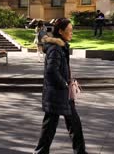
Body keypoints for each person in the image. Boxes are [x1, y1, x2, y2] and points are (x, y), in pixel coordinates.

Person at [34, 18, 88, 154]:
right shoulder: (56, 49)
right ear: (60, 31)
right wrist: (64, 84)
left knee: (74, 124)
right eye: (69, 30)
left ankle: (80, 151)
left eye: (72, 30)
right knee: (50, 127)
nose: (71, 33)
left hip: (63, 94)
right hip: (57, 93)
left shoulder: (61, 47)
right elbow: (51, 71)